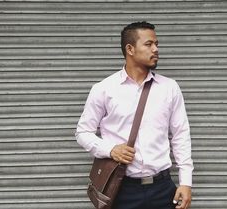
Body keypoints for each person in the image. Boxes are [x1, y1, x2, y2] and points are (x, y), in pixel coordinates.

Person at [76, 21, 193, 209]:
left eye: (157, 44)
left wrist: (186, 181)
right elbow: (82, 133)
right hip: (122, 189)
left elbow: (181, 135)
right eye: (149, 44)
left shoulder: (169, 88)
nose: (155, 49)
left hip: (163, 188)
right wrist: (111, 149)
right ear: (130, 49)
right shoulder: (104, 89)